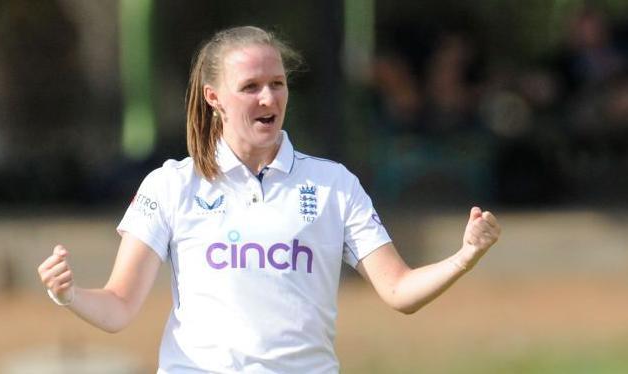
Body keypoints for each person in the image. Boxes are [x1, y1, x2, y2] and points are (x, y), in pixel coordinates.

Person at [37, 26, 501, 373]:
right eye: (251, 87)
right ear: (213, 97)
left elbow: (400, 291)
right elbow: (119, 306)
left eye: (277, 84)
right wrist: (69, 294)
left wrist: (465, 256)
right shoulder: (172, 185)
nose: (268, 97)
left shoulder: (333, 185)